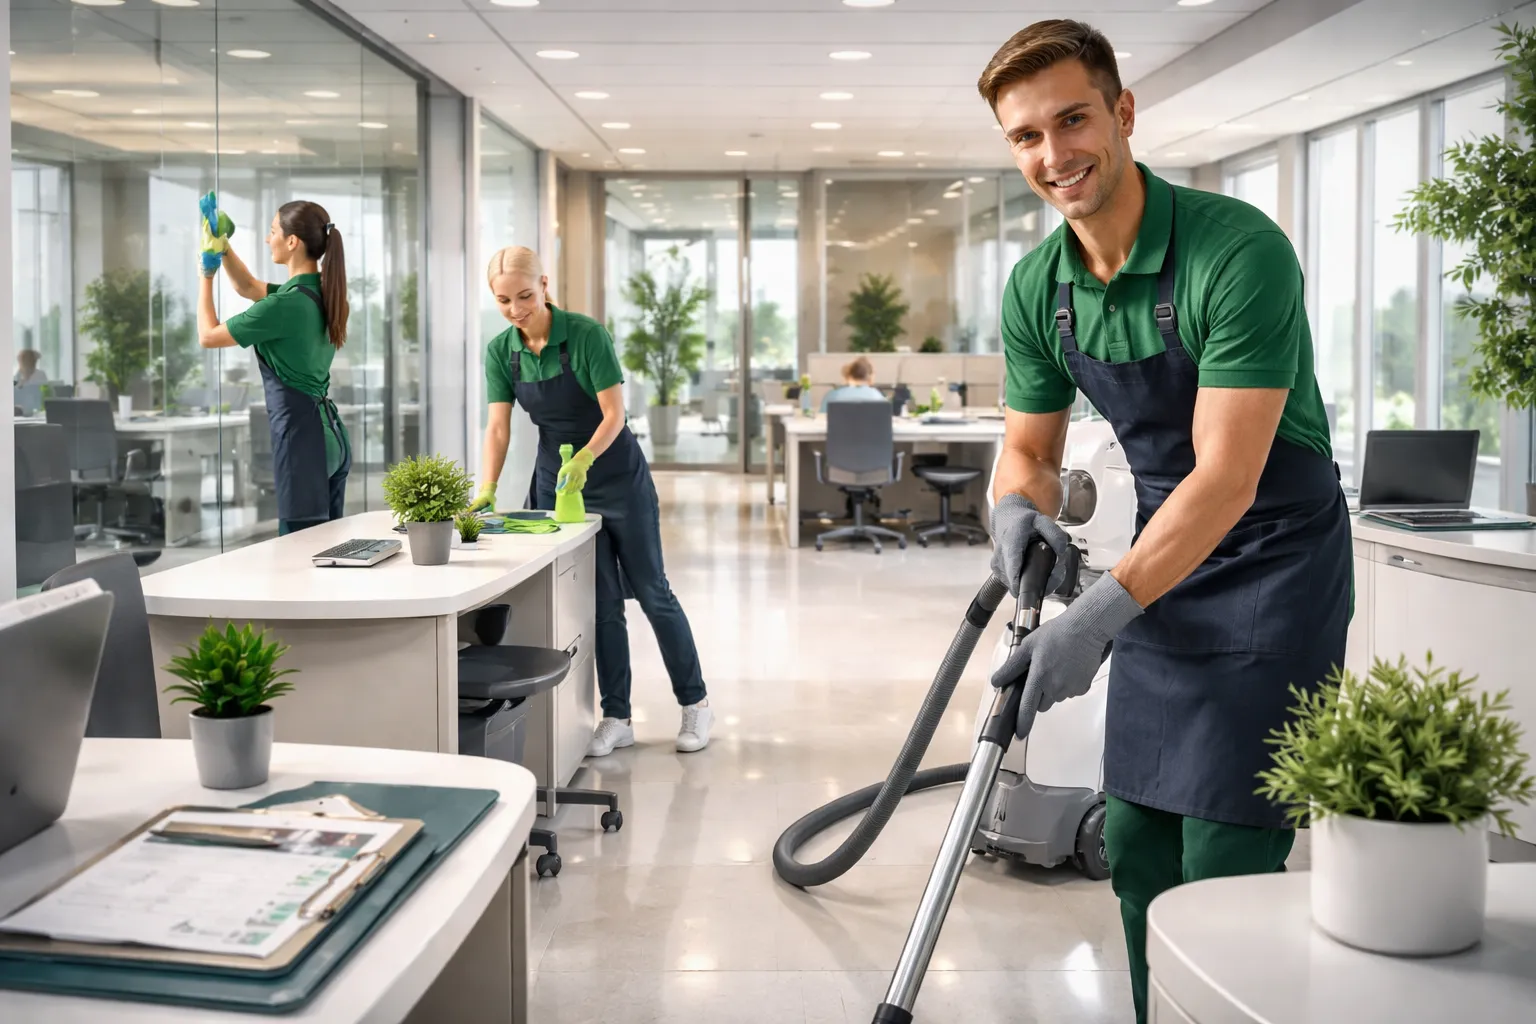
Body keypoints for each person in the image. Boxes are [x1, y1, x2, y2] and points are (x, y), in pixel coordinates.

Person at [977, 20, 1350, 1024]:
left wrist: (1097, 616)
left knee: (1226, 846)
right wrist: (1014, 511)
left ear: (1122, 112)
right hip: (1163, 565)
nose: (1054, 155)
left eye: (1073, 119)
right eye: (1025, 137)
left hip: (1274, 562)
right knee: (1138, 841)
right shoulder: (1037, 289)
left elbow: (1228, 478)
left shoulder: (1235, 252)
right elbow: (1031, 448)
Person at [469, 246, 713, 755]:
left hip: (616, 476)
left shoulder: (584, 335)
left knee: (653, 592)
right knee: (600, 605)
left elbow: (613, 414)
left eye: (525, 296)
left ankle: (695, 704)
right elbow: (498, 426)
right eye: (503, 300)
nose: (516, 309)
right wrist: (487, 488)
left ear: (545, 284)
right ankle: (617, 715)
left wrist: (582, 460)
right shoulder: (501, 351)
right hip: (558, 489)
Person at [196, 200, 352, 536]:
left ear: (292, 241)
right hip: (331, 437)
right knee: (329, 554)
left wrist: (205, 275)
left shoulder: (283, 305)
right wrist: (223, 247)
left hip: (303, 445)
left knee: (297, 559)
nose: (268, 240)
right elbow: (248, 287)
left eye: (272, 232)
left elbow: (208, 336)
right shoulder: (322, 293)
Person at [818, 355, 887, 412]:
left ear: (848, 375)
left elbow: (822, 421)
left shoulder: (832, 396)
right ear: (871, 377)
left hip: (840, 428)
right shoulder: (878, 397)